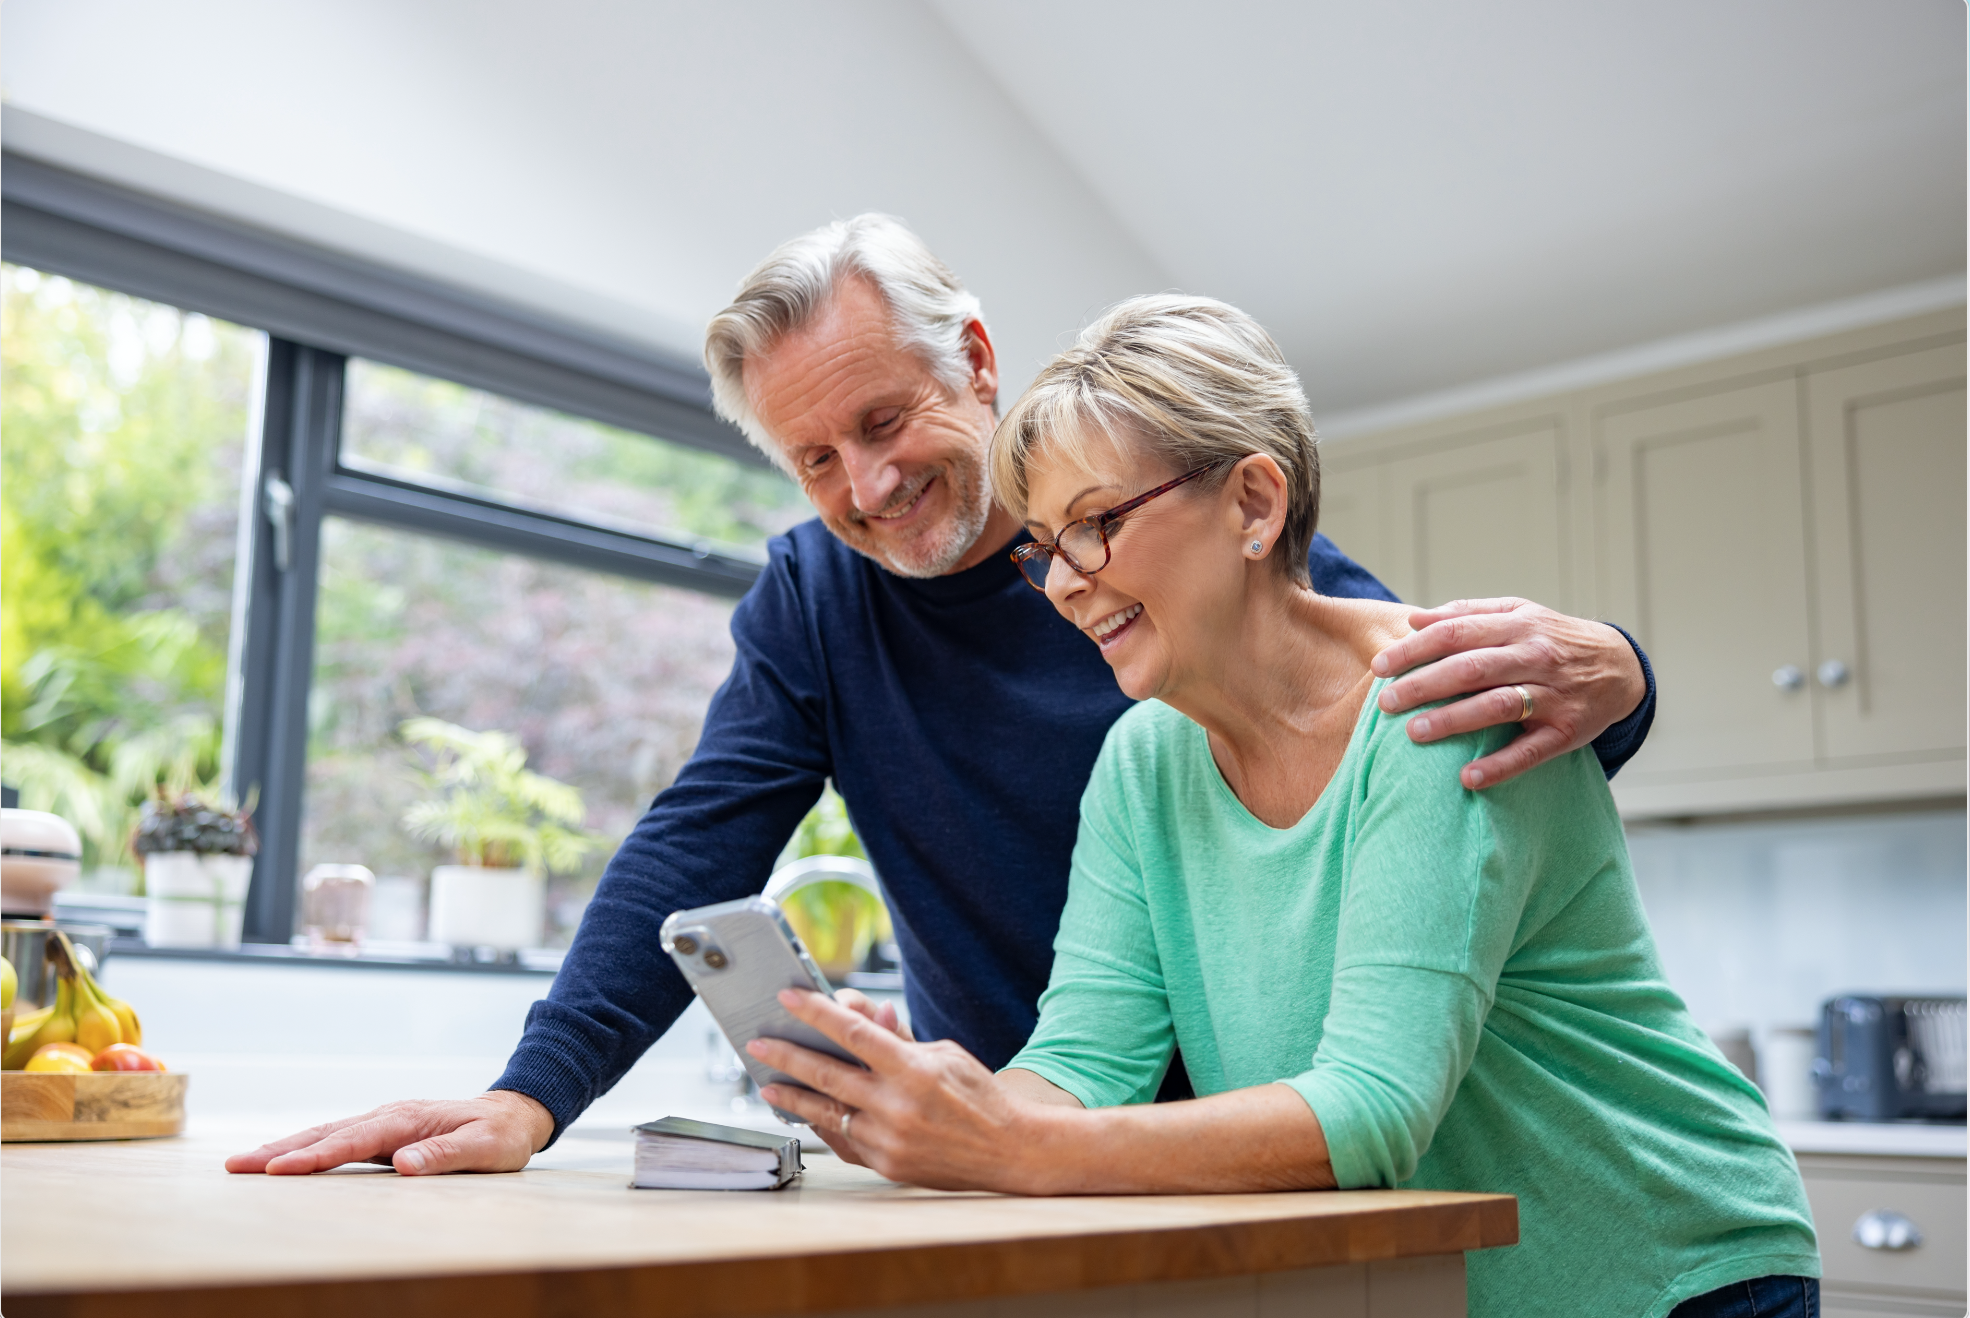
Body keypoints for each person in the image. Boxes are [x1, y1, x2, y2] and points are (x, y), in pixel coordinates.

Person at [227, 216, 1657, 1178]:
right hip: (1039, 1117)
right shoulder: (827, 607)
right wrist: (530, 1096)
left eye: (882, 419)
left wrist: (1627, 674)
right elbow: (695, 844)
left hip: (1249, 1131)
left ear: (973, 360)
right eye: (814, 459)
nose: (865, 484)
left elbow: (1404, 693)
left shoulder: (1150, 523)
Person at [743, 294, 1818, 1318]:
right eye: (1044, 544)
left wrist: (1007, 1148)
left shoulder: (1433, 704)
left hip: (1669, 1268)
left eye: (1095, 524)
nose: (1064, 580)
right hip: (1466, 1285)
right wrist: (926, 1105)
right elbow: (1083, 1059)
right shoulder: (1142, 760)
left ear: (1253, 503)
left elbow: (1371, 1108)